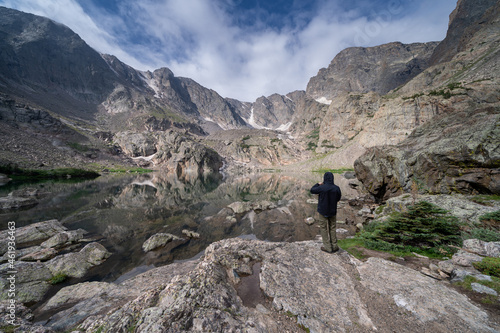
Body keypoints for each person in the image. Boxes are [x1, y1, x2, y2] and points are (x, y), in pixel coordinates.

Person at [310, 172, 342, 253]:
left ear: (324, 178)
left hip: (323, 211)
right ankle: (334, 246)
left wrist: (317, 184)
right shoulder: (336, 188)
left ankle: (327, 247)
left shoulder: (322, 187)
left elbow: (312, 190)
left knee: (323, 228)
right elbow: (338, 198)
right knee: (332, 228)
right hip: (332, 211)